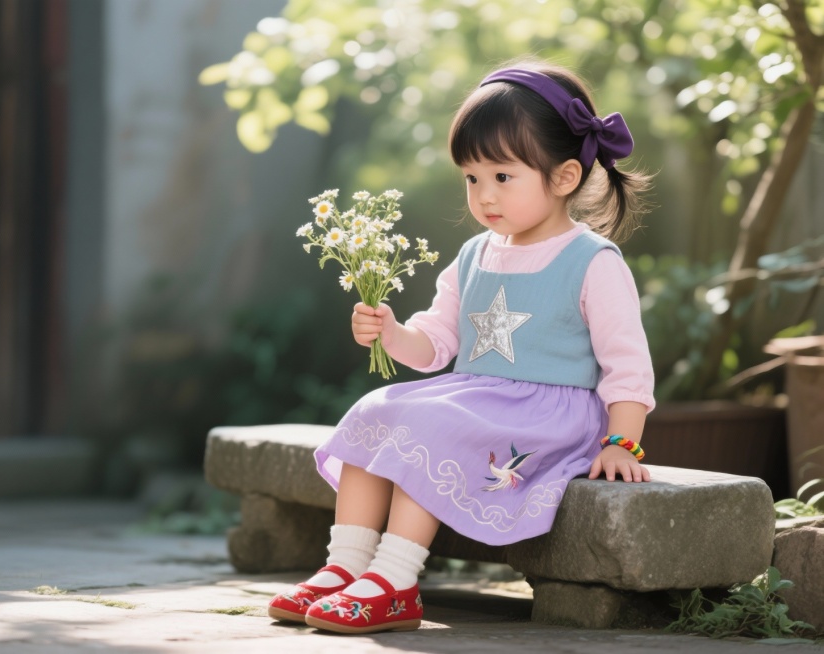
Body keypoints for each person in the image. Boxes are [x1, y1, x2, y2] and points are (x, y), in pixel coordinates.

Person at [267, 62, 655, 635]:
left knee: (437, 425)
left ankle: (396, 579)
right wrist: (393, 333)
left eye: (503, 177)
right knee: (378, 408)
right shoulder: (476, 253)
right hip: (476, 397)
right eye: (472, 178)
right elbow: (438, 342)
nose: (484, 195)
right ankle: (345, 565)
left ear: (565, 175)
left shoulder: (591, 261)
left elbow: (627, 365)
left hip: (550, 414)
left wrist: (622, 443)